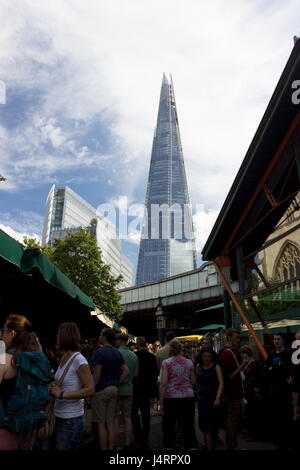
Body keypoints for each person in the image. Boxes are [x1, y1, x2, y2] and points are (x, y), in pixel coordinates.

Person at [0, 314, 51, 450]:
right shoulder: (37, 360)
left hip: (5, 432)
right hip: (28, 432)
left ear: (12, 333)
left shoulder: (4, 359)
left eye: (3, 331)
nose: (1, 336)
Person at [49, 322, 95, 450]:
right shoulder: (64, 358)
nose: (56, 336)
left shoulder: (79, 360)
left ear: (64, 337)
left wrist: (62, 394)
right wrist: (54, 385)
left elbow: (90, 389)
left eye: (58, 334)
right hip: (58, 416)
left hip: (71, 420)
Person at [92, 328, 129, 450]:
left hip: (101, 390)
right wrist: (117, 382)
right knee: (111, 421)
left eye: (100, 334)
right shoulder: (117, 352)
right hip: (114, 389)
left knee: (101, 423)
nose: (99, 336)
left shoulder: (99, 352)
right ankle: (112, 447)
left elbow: (97, 374)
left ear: (105, 336)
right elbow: (126, 370)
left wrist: (90, 390)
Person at [159, 340, 198, 450]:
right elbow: (193, 381)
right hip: (187, 397)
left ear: (171, 350)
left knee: (169, 424)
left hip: (171, 397)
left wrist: (161, 403)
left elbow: (163, 383)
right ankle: (190, 445)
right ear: (181, 349)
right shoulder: (189, 362)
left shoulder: (166, 363)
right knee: (188, 424)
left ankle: (169, 446)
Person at [218, 328, 249, 450]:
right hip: (233, 392)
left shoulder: (227, 352)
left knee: (232, 419)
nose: (238, 340)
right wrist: (243, 365)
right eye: (236, 337)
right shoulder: (227, 353)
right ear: (229, 338)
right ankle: (231, 445)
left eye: (238, 338)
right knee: (233, 420)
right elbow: (230, 375)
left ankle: (232, 443)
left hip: (232, 391)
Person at [265, 333, 293, 450]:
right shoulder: (271, 354)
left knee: (286, 416)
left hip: (284, 390)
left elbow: (286, 368)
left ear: (283, 341)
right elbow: (267, 369)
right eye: (274, 339)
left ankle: (287, 442)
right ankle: (279, 441)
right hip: (274, 389)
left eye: (278, 339)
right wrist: (277, 369)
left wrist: (275, 368)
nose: (276, 341)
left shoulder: (288, 353)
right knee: (276, 416)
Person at [131, 336, 159, 448]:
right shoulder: (152, 357)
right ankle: (145, 438)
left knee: (133, 413)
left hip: (136, 388)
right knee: (145, 414)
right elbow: (155, 373)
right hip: (147, 389)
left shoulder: (135, 356)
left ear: (137, 344)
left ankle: (138, 436)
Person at [196, 347, 223, 450]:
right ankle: (208, 446)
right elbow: (197, 382)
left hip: (213, 399)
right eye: (204, 356)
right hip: (202, 399)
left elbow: (221, 383)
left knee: (213, 426)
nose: (206, 358)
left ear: (212, 357)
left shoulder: (216, 367)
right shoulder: (198, 366)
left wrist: (217, 398)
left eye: (208, 356)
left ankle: (210, 445)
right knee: (204, 425)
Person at [114, 333, 139, 450]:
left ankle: (114, 443)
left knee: (115, 418)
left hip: (118, 389)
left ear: (120, 341)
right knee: (127, 417)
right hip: (129, 389)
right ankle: (127, 443)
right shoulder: (134, 355)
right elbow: (136, 374)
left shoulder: (116, 353)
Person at [240, 345, 262, 439]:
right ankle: (249, 431)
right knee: (248, 412)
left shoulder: (253, 363)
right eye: (243, 356)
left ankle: (254, 433)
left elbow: (257, 376)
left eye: (245, 355)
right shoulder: (246, 363)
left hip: (252, 391)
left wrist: (257, 388)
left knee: (253, 412)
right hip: (246, 390)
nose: (244, 357)